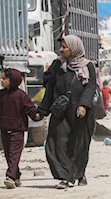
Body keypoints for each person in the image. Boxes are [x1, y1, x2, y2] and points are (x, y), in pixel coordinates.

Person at [39, 36, 98, 189]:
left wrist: (84, 105)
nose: (62, 49)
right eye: (62, 46)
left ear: (74, 47)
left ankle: (79, 173)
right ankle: (65, 176)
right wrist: (42, 110)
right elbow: (50, 88)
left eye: (65, 47)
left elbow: (91, 87)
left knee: (79, 145)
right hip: (60, 112)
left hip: (80, 114)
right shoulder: (57, 65)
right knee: (56, 143)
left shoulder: (87, 66)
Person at [1, 69, 43, 188]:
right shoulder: (1, 95)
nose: (2, 81)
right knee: (9, 155)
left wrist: (37, 115)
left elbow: (30, 109)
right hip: (4, 130)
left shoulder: (21, 96)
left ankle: (10, 177)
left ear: (12, 80)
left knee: (14, 155)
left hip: (17, 131)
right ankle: (16, 176)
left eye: (4, 79)